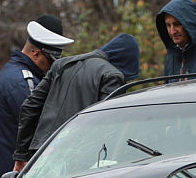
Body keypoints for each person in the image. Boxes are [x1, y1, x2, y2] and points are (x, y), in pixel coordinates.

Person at [13, 33, 141, 170]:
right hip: (78, 160)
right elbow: (109, 123)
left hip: (41, 153)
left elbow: (29, 107)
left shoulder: (61, 64)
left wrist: (21, 155)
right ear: (127, 62)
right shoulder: (112, 75)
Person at [0, 15, 73, 178]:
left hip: (9, 175)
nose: (51, 67)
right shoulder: (22, 83)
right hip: (17, 177)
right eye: (51, 60)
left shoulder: (13, 74)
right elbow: (39, 129)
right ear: (36, 53)